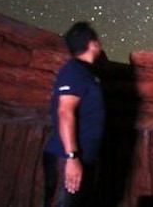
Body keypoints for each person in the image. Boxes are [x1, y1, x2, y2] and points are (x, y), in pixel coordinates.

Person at [42, 22, 106, 207]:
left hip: (83, 158)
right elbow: (65, 112)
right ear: (92, 43)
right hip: (67, 158)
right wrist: (72, 157)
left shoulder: (88, 73)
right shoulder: (74, 71)